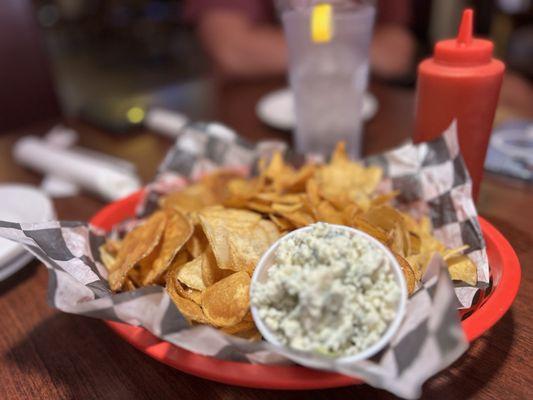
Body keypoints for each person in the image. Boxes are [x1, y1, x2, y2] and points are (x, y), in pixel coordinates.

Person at [185, 0, 416, 81]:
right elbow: (232, 49)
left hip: (358, 120)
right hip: (248, 124)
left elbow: (397, 52)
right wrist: (353, 48)